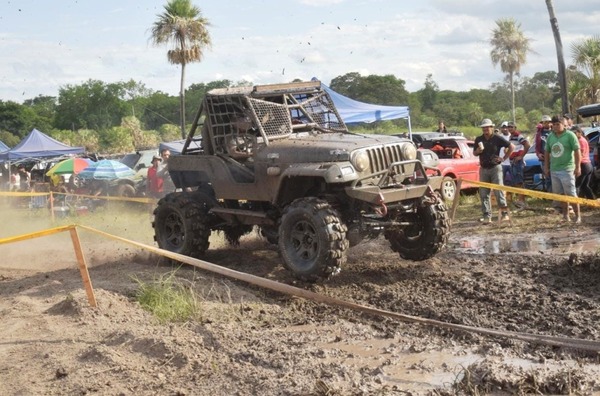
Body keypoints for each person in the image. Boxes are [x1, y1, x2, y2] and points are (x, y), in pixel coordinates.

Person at [473, 118, 514, 223]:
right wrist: (478, 151)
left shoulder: (497, 138)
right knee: (484, 193)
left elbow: (511, 146)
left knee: (499, 192)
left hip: (495, 168)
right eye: (484, 127)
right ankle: (487, 216)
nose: (485, 129)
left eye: (487, 127)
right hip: (484, 168)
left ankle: (504, 214)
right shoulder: (479, 139)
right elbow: (474, 153)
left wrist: (504, 158)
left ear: (492, 128)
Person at [543, 116, 581, 223]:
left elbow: (577, 151)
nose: (555, 126)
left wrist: (578, 167)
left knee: (571, 194)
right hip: (554, 169)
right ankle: (566, 216)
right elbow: (547, 152)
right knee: (560, 195)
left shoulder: (570, 135)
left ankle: (578, 216)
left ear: (564, 125)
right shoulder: (550, 136)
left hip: (567, 169)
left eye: (558, 124)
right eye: (554, 124)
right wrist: (546, 167)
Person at [507, 122, 530, 208]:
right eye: (508, 127)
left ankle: (522, 201)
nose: (510, 128)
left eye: (511, 127)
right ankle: (520, 201)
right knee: (516, 182)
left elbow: (527, 145)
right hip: (512, 161)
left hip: (517, 161)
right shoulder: (511, 137)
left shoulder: (518, 135)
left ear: (515, 128)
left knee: (519, 181)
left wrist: (521, 156)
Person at [572, 125, 595, 200]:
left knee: (576, 186)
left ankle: (574, 203)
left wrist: (575, 165)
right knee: (584, 186)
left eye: (574, 133)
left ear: (579, 133)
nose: (573, 135)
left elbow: (580, 155)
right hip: (588, 165)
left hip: (583, 165)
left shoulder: (581, 141)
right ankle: (592, 202)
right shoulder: (582, 140)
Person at [535, 115, 553, 192]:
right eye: (545, 122)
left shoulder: (554, 132)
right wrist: (538, 154)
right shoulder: (539, 134)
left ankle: (557, 195)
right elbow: (537, 147)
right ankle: (550, 194)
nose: (547, 124)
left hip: (554, 157)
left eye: (548, 122)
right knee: (547, 177)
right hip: (544, 158)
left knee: (555, 177)